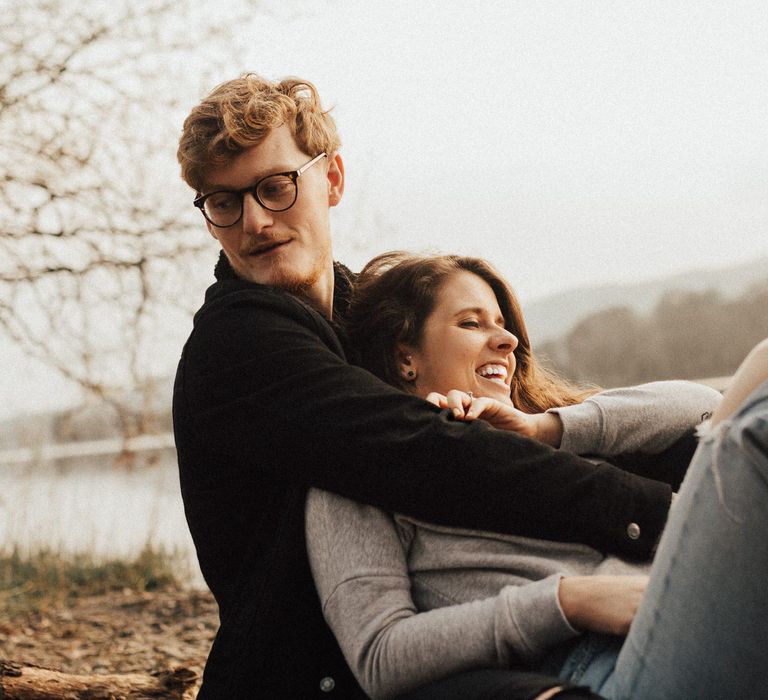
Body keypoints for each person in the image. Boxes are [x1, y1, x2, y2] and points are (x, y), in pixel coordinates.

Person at [174, 73, 681, 699]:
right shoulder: (239, 346)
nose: (253, 222)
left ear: (330, 179)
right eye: (223, 202)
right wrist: (664, 522)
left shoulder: (363, 314)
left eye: (275, 188)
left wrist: (557, 430)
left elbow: (506, 421)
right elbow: (426, 452)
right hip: (316, 676)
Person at [305, 252, 768, 699]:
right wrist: (568, 602)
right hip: (608, 661)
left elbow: (699, 406)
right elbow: (380, 655)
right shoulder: (358, 475)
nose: (506, 341)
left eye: (503, 326)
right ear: (406, 357)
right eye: (471, 323)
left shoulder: (533, 440)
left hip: (682, 596)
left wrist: (547, 428)